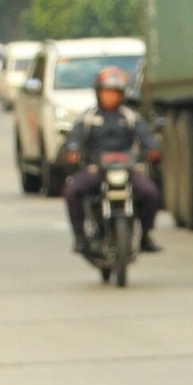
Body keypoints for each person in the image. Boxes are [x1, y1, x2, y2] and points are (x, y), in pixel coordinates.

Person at [61, 66, 160, 253]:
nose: (111, 96)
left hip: (126, 169)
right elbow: (74, 137)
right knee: (72, 191)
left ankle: (145, 236)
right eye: (107, 92)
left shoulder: (130, 116)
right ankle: (80, 237)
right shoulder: (88, 117)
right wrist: (72, 149)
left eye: (115, 92)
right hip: (96, 169)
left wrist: (153, 148)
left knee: (151, 193)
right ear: (98, 93)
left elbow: (146, 136)